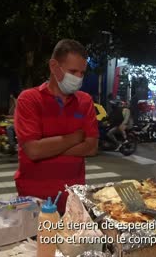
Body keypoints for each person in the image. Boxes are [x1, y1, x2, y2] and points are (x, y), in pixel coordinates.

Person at [14, 39, 98, 212]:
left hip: (73, 198)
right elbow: (33, 151)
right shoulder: (29, 99)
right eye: (73, 71)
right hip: (34, 200)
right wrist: (75, 138)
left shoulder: (85, 101)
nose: (78, 78)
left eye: (82, 73)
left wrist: (47, 146)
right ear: (54, 66)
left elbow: (91, 147)